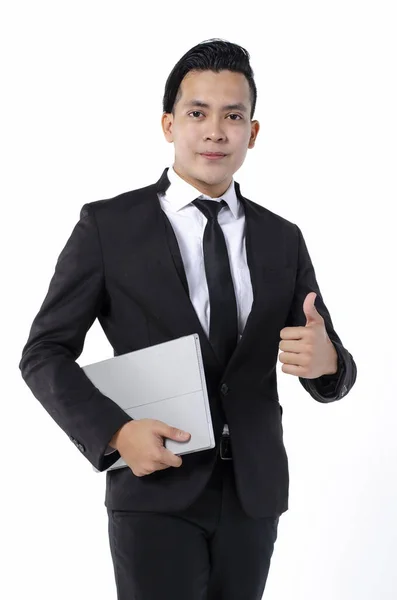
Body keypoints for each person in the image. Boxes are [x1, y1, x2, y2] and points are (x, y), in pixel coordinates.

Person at [19, 38, 357, 600]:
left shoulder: (281, 237)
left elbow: (329, 359)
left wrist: (330, 365)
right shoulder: (109, 227)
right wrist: (114, 433)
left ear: (252, 132)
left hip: (254, 494)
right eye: (197, 113)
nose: (215, 131)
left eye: (233, 116)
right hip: (155, 486)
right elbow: (44, 352)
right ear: (168, 124)